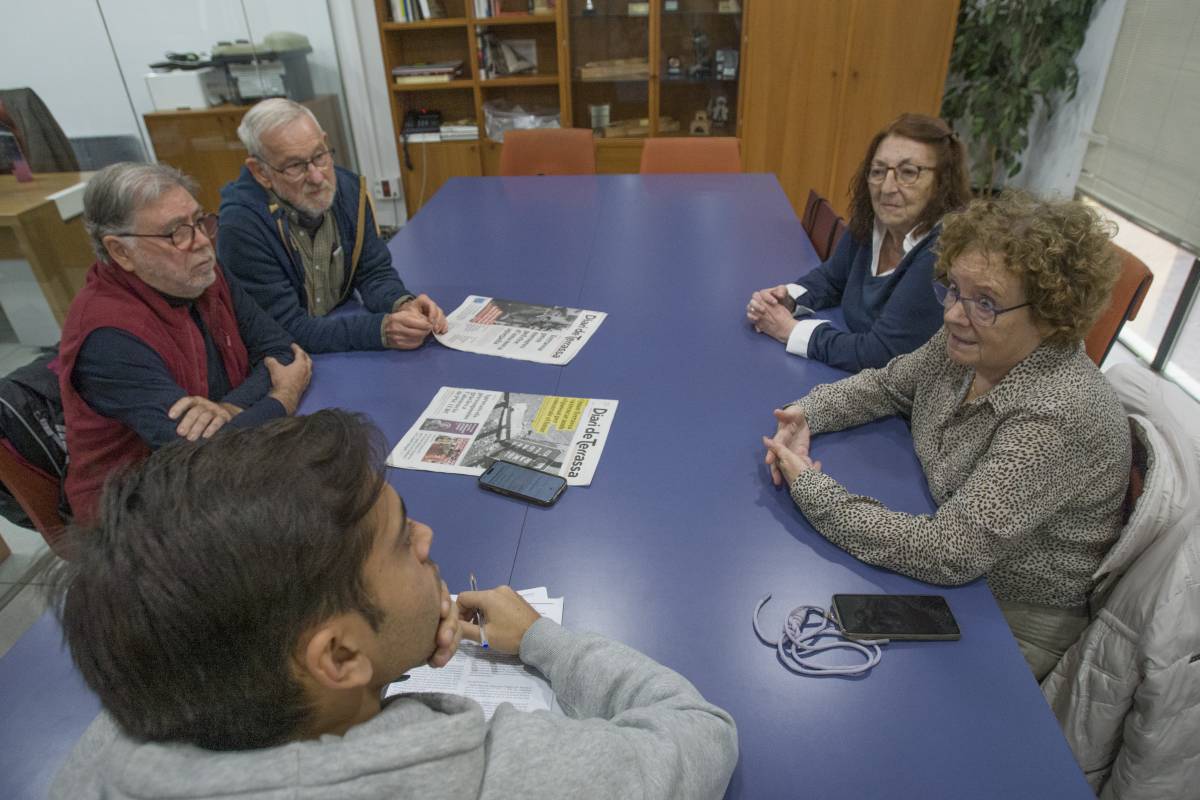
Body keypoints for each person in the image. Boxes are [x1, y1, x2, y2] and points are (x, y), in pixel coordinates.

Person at [49, 410, 738, 799]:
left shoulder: (116, 740)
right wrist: (541, 639)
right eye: (403, 540)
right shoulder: (485, 776)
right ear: (338, 654)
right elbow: (696, 733)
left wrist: (387, 659)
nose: (427, 538)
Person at [760, 192, 1130, 680]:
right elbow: (888, 385)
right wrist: (805, 414)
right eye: (952, 289)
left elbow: (948, 552)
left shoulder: (1055, 414)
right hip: (948, 547)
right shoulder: (970, 339)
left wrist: (811, 487)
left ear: (1050, 313)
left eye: (985, 302)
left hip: (1006, 614)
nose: (954, 314)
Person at [58, 162, 311, 522]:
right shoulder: (108, 338)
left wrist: (230, 410)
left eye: (199, 221)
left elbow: (281, 350)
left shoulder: (200, 274)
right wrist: (281, 399)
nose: (203, 242)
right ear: (120, 252)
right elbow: (203, 452)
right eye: (176, 233)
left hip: (220, 464)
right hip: (139, 510)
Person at [218, 98, 447, 353]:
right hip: (287, 359)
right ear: (260, 172)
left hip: (337, 342)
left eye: (319, 155)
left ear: (325, 141)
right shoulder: (242, 226)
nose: (317, 177)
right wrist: (380, 330)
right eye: (295, 166)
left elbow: (373, 272)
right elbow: (285, 328)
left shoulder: (348, 191)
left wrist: (402, 304)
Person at [746, 113, 970, 372]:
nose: (886, 187)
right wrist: (786, 299)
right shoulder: (871, 223)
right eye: (877, 171)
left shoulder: (941, 253)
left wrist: (789, 330)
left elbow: (880, 353)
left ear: (942, 182)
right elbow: (831, 279)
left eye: (908, 173)